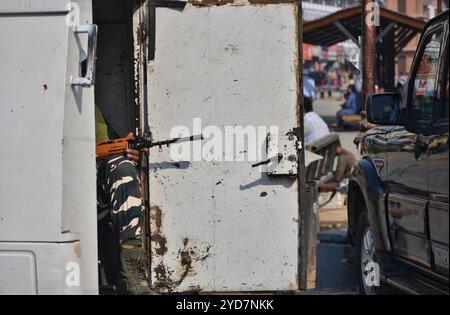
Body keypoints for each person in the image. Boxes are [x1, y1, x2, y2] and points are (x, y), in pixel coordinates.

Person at [95, 106, 154, 295]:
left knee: (122, 167)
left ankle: (132, 266)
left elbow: (107, 150)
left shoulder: (83, 104)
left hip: (91, 194)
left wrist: (129, 152)